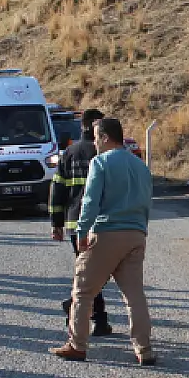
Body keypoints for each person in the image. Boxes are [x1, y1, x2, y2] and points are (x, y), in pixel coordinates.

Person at [51, 117, 154, 365]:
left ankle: (77, 345)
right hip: (135, 233)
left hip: (106, 232)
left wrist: (82, 231)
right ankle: (144, 349)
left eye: (96, 137)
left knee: (83, 291)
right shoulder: (140, 165)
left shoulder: (101, 162)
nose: (94, 142)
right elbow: (147, 201)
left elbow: (90, 201)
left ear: (106, 137)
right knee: (134, 295)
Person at [49, 109, 113, 339]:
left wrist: (56, 223)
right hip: (104, 223)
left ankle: (85, 310)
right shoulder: (106, 153)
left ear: (82, 125)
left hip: (76, 224)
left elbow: (57, 190)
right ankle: (93, 315)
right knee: (99, 273)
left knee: (88, 272)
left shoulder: (70, 152)